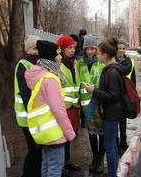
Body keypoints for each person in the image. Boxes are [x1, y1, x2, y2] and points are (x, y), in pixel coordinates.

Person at [25, 40, 76, 177]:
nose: (60, 57)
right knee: (55, 168)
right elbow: (58, 110)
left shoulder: (39, 76)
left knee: (47, 165)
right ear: (51, 57)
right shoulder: (50, 79)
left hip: (44, 131)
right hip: (53, 132)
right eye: (58, 54)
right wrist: (69, 132)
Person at [84, 38, 131, 177]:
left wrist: (94, 90)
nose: (96, 55)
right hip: (113, 112)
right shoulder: (112, 69)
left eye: (98, 53)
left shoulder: (111, 71)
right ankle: (113, 172)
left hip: (112, 113)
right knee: (111, 145)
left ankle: (112, 174)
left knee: (110, 145)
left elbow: (112, 95)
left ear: (105, 55)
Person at [14, 35, 42, 177]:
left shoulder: (34, 63)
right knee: (34, 149)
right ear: (28, 49)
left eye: (38, 48)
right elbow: (26, 95)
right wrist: (34, 117)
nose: (37, 51)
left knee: (37, 149)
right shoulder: (23, 65)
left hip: (32, 115)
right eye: (34, 48)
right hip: (27, 117)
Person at [77, 35, 105, 174]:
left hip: (99, 103)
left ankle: (100, 158)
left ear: (96, 49)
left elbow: (106, 82)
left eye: (92, 49)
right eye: (87, 49)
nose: (89, 52)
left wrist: (97, 88)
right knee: (92, 133)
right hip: (86, 105)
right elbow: (77, 82)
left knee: (102, 133)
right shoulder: (80, 63)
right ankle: (95, 157)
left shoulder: (101, 63)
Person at [56, 35, 81, 176]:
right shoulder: (57, 65)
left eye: (73, 47)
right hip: (63, 108)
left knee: (71, 135)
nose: (72, 50)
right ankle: (61, 166)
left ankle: (67, 161)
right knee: (62, 138)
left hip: (74, 107)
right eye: (69, 47)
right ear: (62, 49)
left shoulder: (75, 63)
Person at [115, 39, 136, 153]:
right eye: (119, 48)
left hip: (125, 96)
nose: (122, 50)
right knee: (115, 120)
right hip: (114, 95)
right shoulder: (112, 62)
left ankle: (123, 141)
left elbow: (133, 80)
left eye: (123, 48)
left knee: (123, 121)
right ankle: (116, 142)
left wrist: (132, 95)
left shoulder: (130, 62)